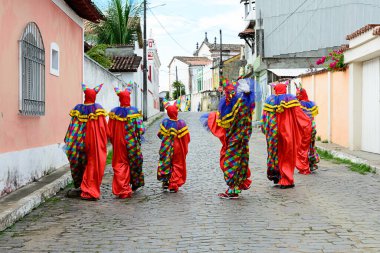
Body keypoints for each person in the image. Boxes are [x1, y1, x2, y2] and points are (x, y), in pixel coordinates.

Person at [200, 77, 256, 199]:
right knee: (241, 162)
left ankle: (232, 189)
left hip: (235, 140)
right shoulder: (246, 104)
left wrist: (212, 118)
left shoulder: (236, 106)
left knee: (229, 162)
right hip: (243, 140)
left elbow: (224, 122)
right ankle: (236, 187)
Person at [261, 82, 312, 189]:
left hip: (274, 135)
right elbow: (300, 117)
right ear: (285, 89)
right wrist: (308, 123)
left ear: (275, 90)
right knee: (288, 156)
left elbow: (264, 118)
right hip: (288, 134)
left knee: (276, 155)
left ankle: (281, 178)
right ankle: (287, 179)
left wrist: (266, 130)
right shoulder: (291, 101)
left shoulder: (270, 101)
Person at [64, 83, 108, 200]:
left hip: (76, 144)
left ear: (85, 96)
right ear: (94, 96)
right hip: (92, 143)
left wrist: (67, 139)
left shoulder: (78, 110)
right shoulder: (97, 110)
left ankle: (79, 185)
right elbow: (103, 128)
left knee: (77, 163)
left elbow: (71, 127)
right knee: (91, 163)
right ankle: (88, 186)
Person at [108, 84, 145, 199]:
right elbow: (141, 129)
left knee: (120, 164)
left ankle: (122, 189)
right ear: (128, 98)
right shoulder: (134, 112)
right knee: (134, 163)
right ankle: (133, 184)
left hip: (118, 143)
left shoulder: (114, 113)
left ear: (120, 99)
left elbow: (109, 131)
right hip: (132, 143)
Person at [157, 99, 190, 193]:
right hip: (178, 148)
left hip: (166, 147)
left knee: (166, 164)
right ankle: (173, 184)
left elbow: (160, 135)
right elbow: (187, 138)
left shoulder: (165, 122)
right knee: (177, 164)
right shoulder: (182, 123)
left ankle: (165, 182)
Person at [295, 84, 320, 173]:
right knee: (311, 146)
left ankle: (304, 164)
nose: (297, 96)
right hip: (312, 128)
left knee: (303, 147)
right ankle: (311, 164)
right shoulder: (311, 104)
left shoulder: (298, 105)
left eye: (298, 94)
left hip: (304, 129)